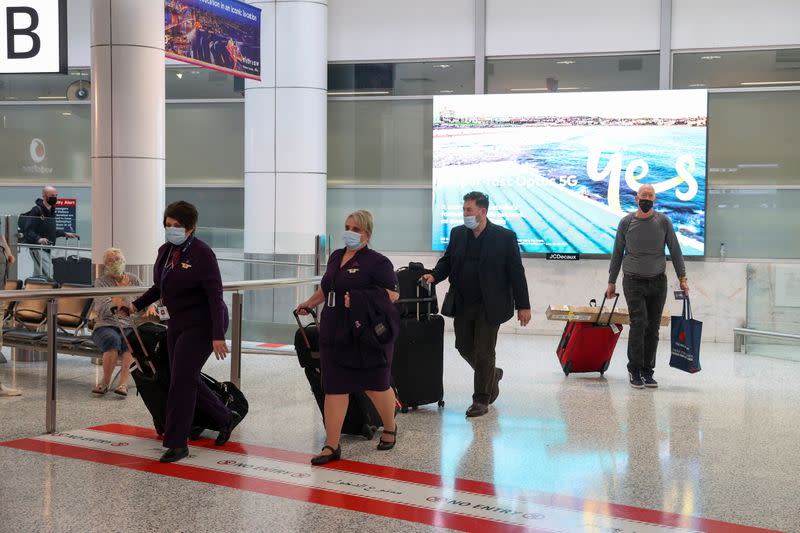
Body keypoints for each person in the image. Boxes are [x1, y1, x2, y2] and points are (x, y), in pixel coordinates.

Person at [127, 201, 240, 463]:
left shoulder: (202, 253)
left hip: (203, 324)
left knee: (181, 381)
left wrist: (217, 336)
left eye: (177, 226)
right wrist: (134, 305)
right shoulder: (165, 251)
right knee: (184, 377)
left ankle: (178, 443)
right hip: (176, 323)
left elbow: (215, 296)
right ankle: (225, 417)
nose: (171, 230)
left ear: (191, 228)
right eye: (168, 225)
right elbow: (159, 288)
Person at [296, 210, 400, 465]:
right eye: (347, 227)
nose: (350, 233)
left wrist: (360, 298)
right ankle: (332, 445)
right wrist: (310, 303)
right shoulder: (336, 256)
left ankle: (390, 426)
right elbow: (326, 288)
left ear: (367, 233)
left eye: (356, 229)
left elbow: (393, 295)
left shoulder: (378, 262)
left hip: (363, 332)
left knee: (375, 384)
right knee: (334, 387)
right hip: (334, 329)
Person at [422, 191, 531, 418]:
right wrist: (434, 275)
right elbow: (448, 261)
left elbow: (516, 273)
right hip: (463, 301)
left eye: (468, 210)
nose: (465, 214)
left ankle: (481, 399)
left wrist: (524, 305)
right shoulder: (458, 234)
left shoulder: (505, 237)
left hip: (490, 305)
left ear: (483, 211)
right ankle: (492, 374)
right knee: (463, 346)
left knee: (484, 351)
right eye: (463, 210)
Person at [606, 183, 689, 389]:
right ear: (636, 198)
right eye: (643, 195)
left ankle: (647, 371)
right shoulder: (626, 223)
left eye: (650, 195)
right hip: (633, 281)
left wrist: (683, 278)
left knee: (653, 328)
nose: (647, 198)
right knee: (639, 323)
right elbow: (617, 253)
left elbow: (675, 250)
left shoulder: (663, 221)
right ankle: (634, 369)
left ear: (655, 200)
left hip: (658, 282)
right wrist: (611, 281)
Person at [90, 248, 148, 397]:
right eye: (110, 260)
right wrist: (121, 293)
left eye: (118, 259)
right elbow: (104, 309)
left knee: (131, 342)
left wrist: (151, 306)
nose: (115, 263)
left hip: (128, 324)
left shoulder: (134, 279)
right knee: (112, 340)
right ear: (105, 265)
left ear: (124, 261)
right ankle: (105, 382)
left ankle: (123, 383)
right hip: (105, 324)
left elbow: (145, 298)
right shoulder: (101, 282)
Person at [21, 186, 78, 280]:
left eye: (56, 195)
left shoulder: (52, 211)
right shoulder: (36, 210)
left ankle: (33, 291)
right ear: (44, 195)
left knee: (38, 275)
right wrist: (38, 239)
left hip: (47, 248)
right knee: (49, 273)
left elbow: (51, 231)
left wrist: (65, 234)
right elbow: (29, 230)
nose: (55, 197)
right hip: (38, 248)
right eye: (52, 195)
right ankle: (52, 293)